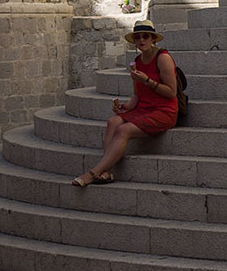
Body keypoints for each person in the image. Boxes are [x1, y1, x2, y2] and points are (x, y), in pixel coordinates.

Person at [72, 19, 179, 187]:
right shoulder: (137, 61)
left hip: (164, 110)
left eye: (145, 37)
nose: (141, 41)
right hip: (144, 108)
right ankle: (106, 172)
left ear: (153, 39)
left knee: (123, 130)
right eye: (138, 38)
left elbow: (171, 92)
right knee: (113, 122)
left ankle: (93, 173)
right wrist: (127, 106)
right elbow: (137, 94)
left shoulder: (163, 58)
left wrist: (148, 81)